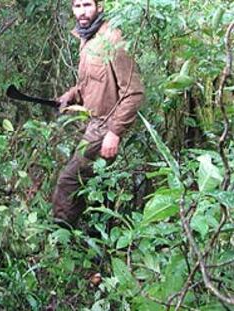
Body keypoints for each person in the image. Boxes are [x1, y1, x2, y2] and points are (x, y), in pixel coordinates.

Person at [52, 0, 144, 227]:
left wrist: (114, 132)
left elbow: (134, 92)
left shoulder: (113, 39)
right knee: (96, 187)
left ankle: (57, 242)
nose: (82, 12)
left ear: (100, 6)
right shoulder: (87, 37)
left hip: (105, 126)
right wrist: (71, 95)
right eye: (77, 6)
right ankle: (95, 245)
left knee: (68, 182)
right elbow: (91, 82)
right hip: (89, 121)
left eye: (87, 5)